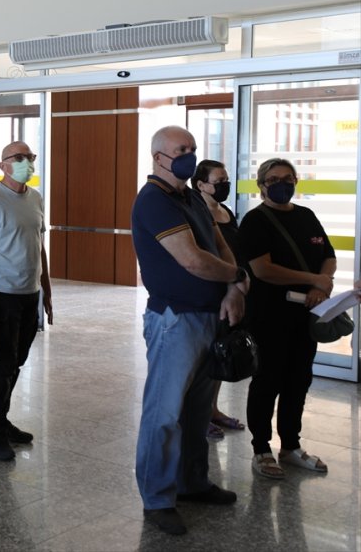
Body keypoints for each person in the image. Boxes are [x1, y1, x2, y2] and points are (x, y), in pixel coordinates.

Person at [131, 126, 247, 536]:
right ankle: (158, 498)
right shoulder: (153, 201)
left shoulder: (192, 197)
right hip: (174, 320)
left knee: (197, 413)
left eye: (193, 149)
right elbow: (193, 261)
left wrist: (233, 284)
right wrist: (238, 275)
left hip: (208, 316)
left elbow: (217, 242)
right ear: (158, 156)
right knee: (163, 414)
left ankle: (193, 482)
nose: (189, 156)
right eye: (181, 150)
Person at [239, 158, 337, 479]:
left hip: (305, 315)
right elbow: (263, 269)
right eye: (274, 179)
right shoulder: (255, 221)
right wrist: (313, 280)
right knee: (268, 380)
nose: (282, 184)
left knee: (299, 380)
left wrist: (323, 283)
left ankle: (291, 446)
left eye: (288, 178)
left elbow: (329, 256)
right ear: (262, 185)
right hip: (269, 315)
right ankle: (261, 449)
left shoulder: (307, 216)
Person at [0, 141, 53, 461]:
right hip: (1, 295)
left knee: (16, 362)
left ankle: (1, 421)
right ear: (3, 165)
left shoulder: (35, 198)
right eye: (19, 158)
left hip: (29, 294)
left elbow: (39, 245)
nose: (27, 162)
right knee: (3, 364)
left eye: (30, 157)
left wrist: (46, 290)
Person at [191, 160, 245, 439]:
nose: (224, 184)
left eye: (226, 179)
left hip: (231, 293)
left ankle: (212, 408)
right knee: (204, 360)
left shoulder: (225, 212)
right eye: (218, 180)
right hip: (208, 293)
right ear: (201, 185)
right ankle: (199, 415)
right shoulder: (196, 214)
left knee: (221, 353)